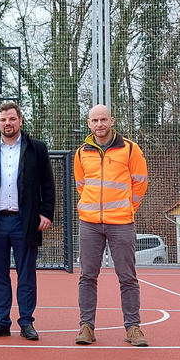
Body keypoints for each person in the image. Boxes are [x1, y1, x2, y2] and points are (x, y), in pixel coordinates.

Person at [0, 102, 55, 341]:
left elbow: (48, 184)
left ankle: (26, 322)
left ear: (20, 121)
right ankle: (1, 321)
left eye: (12, 119)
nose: (8, 123)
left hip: (24, 221)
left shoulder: (37, 148)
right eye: (3, 120)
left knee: (26, 274)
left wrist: (47, 213)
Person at [74, 104, 149, 347]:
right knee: (87, 276)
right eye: (94, 120)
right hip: (90, 224)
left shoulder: (129, 149)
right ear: (88, 123)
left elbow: (140, 183)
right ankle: (86, 327)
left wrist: (128, 209)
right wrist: (93, 209)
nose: (99, 124)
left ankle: (133, 328)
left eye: (103, 119)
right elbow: (81, 185)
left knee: (127, 277)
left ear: (112, 120)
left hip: (122, 223)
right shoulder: (81, 152)